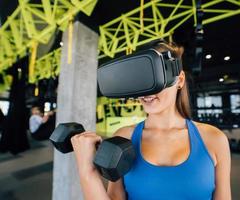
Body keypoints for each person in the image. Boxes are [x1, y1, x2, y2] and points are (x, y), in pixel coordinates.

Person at [71, 41, 231, 200]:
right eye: (141, 80)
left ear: (180, 80)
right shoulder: (123, 137)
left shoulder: (214, 139)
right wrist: (87, 171)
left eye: (154, 78)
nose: (146, 91)